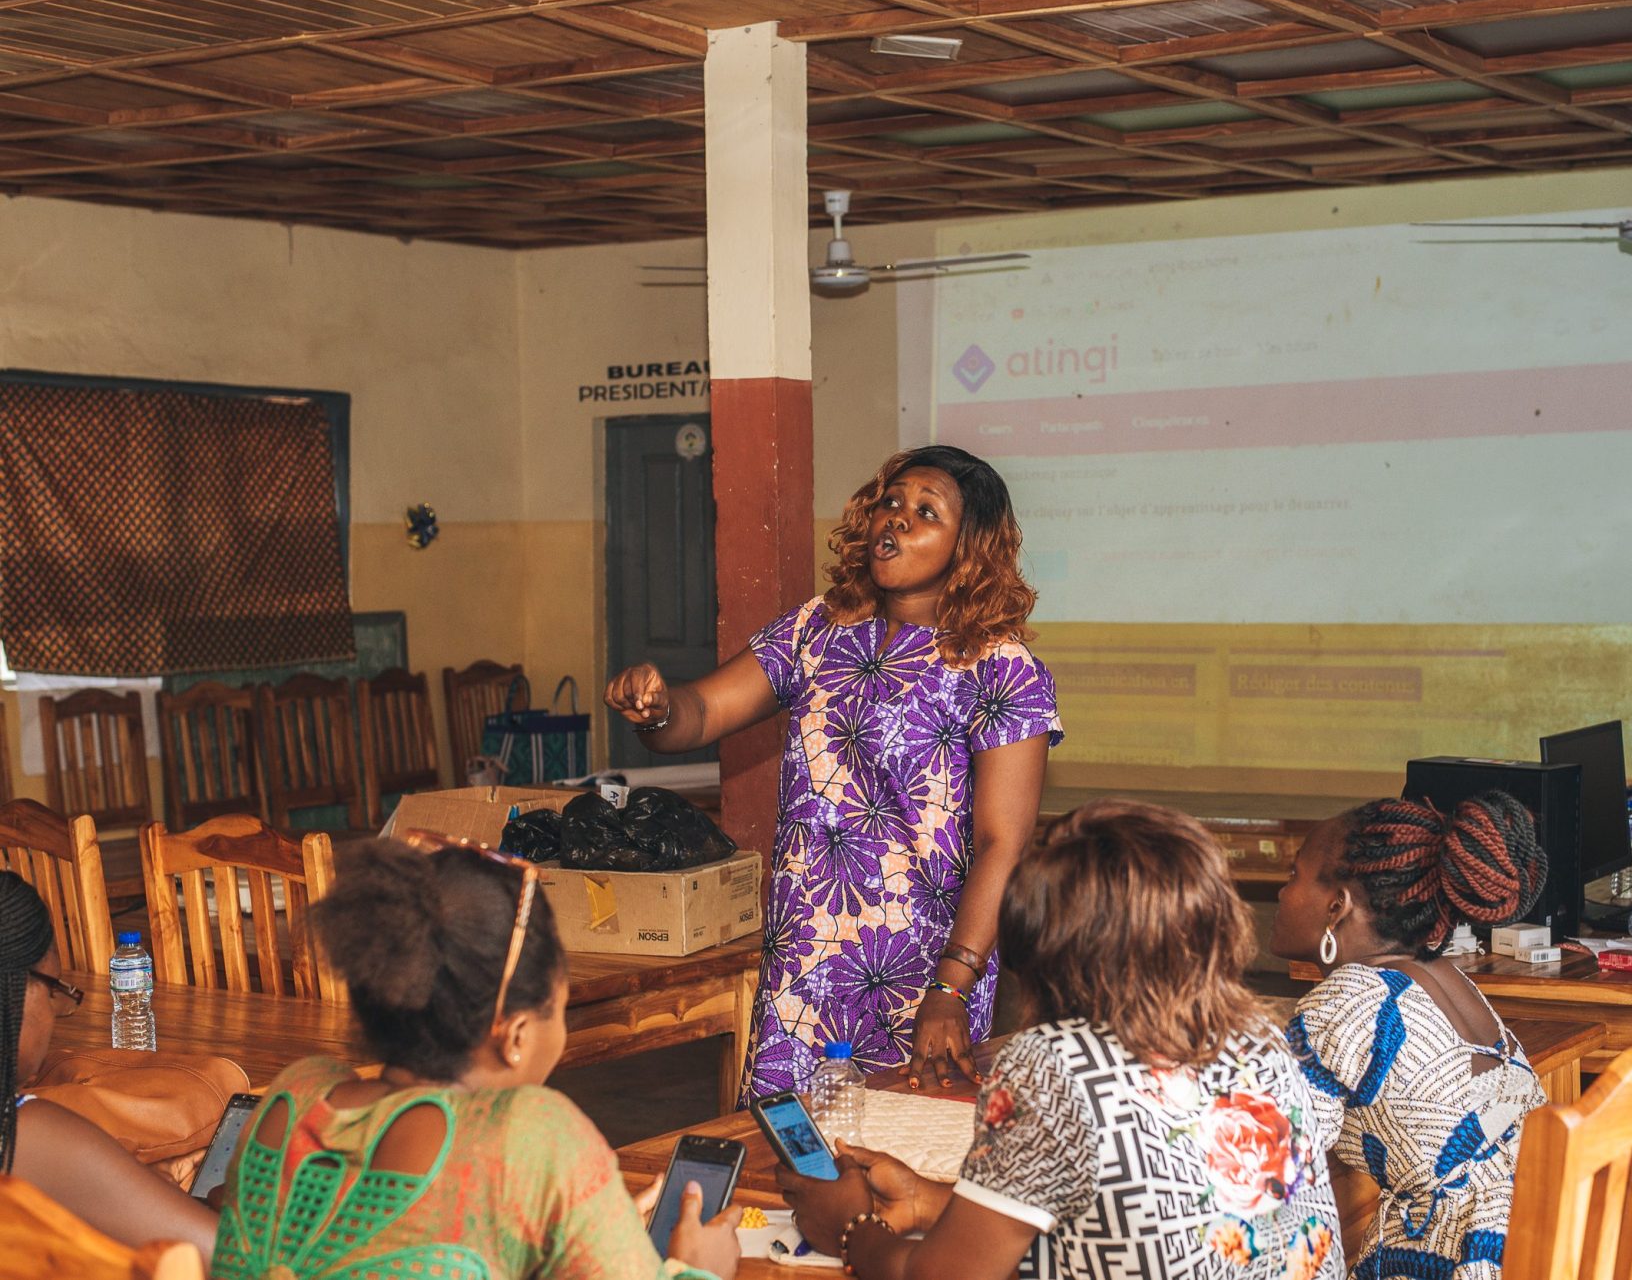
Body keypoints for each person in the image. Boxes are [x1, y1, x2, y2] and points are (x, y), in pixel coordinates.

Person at [605, 445, 1061, 1098]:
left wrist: (950, 989)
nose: (897, 519)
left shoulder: (999, 667)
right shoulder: (817, 630)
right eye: (891, 502)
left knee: (908, 1161)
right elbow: (698, 714)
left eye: (925, 511)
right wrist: (654, 707)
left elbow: (1004, 844)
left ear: (970, 548)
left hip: (922, 973)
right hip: (806, 962)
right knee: (790, 1156)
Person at [777, 799, 1343, 1280]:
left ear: (1040, 947)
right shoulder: (1262, 1038)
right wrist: (928, 1199)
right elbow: (1135, 1210)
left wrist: (852, 1227)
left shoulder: (1053, 1065)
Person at [209, 842, 741, 1280]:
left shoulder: (291, 1097)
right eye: (560, 1005)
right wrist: (696, 1268)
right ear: (516, 1035)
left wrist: (587, 1228)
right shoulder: (532, 1136)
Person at [1271, 793, 1549, 1280]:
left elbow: (1281, 1152)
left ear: (1337, 905)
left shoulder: (1347, 999)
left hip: (1452, 1258)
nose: (1281, 892)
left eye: (1294, 875)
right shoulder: (1444, 975)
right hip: (1537, 1239)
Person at [0, 871, 218, 1260]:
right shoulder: (25, 1133)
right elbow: (226, 1255)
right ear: (13, 989)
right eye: (54, 991)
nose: (53, 1016)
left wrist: (135, 1187)